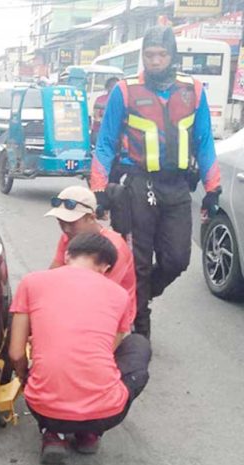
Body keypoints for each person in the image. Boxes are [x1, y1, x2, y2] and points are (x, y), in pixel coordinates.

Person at [90, 26, 222, 339]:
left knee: (177, 259)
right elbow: (106, 142)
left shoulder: (194, 90)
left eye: (162, 54)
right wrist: (99, 188)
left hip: (176, 187)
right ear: (143, 56)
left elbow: (205, 143)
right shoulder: (125, 90)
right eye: (149, 55)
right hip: (138, 185)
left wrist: (212, 189)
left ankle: (141, 297)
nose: (155, 61)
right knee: (138, 264)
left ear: (172, 55)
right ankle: (141, 331)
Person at [9, 233, 152, 465]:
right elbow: (110, 349)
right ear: (105, 267)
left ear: (67, 256)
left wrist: (27, 380)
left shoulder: (31, 282)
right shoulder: (119, 295)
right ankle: (89, 435)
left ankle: (53, 434)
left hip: (42, 407)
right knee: (138, 344)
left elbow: (16, 353)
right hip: (105, 414)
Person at [46, 185, 136, 325]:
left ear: (91, 218)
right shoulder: (68, 237)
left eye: (71, 223)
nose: (66, 229)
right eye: (61, 223)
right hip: (76, 300)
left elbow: (100, 296)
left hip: (110, 312)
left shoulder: (114, 248)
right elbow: (52, 277)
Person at [90, 76, 119, 147]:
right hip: (99, 132)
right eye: (112, 86)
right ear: (108, 87)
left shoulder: (121, 100)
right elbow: (96, 118)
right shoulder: (100, 99)